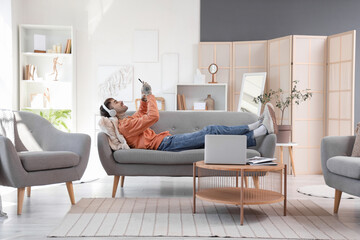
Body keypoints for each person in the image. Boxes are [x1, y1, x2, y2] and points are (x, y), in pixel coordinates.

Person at [99, 82, 277, 152]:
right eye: (115, 102)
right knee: (212, 130)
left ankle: (260, 129)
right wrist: (151, 95)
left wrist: (144, 98)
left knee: (215, 140)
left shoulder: (127, 121)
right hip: (166, 145)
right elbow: (153, 117)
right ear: (112, 112)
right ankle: (255, 127)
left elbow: (141, 114)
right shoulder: (124, 126)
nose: (120, 101)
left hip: (168, 141)